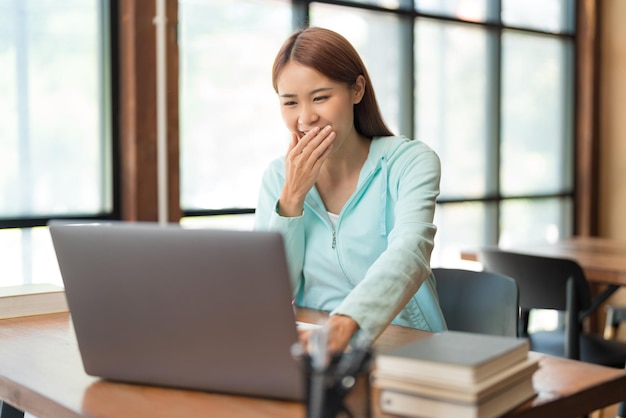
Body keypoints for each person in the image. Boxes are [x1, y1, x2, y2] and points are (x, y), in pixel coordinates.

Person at [254, 26, 446, 354]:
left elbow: (410, 252)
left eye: (321, 98)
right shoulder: (277, 176)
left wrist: (346, 323)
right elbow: (269, 289)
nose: (305, 118)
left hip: (406, 345)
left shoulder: (410, 162)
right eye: (290, 103)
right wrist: (292, 197)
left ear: (357, 90)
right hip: (317, 349)